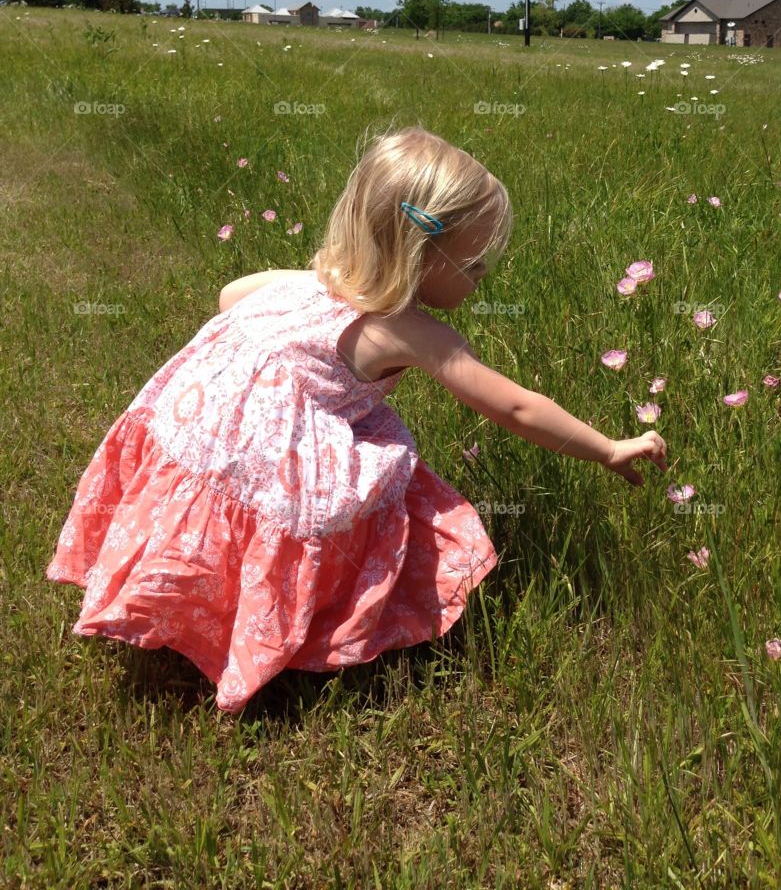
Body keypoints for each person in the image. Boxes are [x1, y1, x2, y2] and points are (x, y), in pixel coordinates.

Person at [46, 125, 667, 712]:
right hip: (262, 451)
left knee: (220, 513)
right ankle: (301, 636)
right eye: (474, 266)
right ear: (424, 256)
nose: (483, 279)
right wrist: (608, 449)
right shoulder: (411, 330)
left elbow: (232, 294)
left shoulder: (313, 282)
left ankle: (189, 604)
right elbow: (515, 406)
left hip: (190, 423)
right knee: (375, 477)